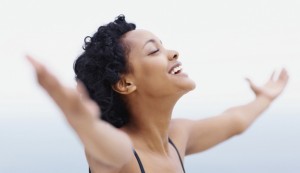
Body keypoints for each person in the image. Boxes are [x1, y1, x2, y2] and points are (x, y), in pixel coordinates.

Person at [27, 14, 289, 173]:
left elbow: (236, 121)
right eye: (154, 51)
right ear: (125, 83)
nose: (173, 53)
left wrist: (265, 97)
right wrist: (84, 123)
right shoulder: (122, 155)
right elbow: (106, 146)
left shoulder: (177, 136)